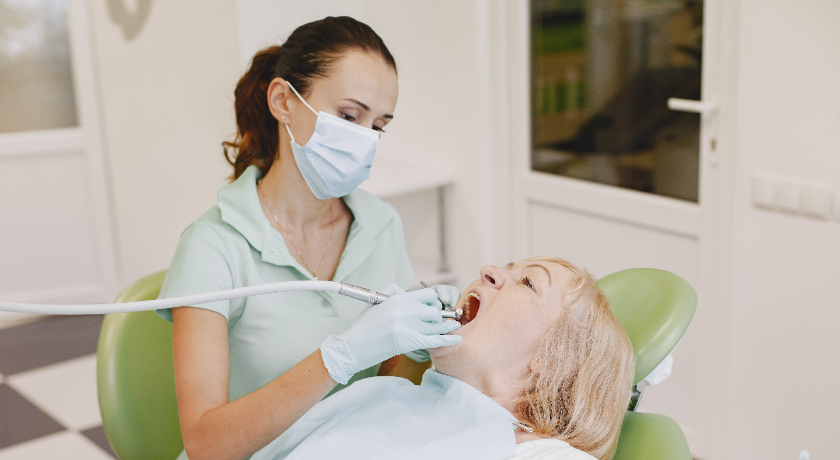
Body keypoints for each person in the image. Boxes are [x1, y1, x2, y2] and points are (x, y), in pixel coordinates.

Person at [156, 17, 461, 460]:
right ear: (283, 100)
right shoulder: (213, 245)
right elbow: (206, 445)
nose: (365, 140)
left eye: (378, 126)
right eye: (349, 116)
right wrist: (338, 357)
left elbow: (391, 389)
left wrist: (420, 347)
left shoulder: (380, 225)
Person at [248, 257, 636, 460]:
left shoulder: (544, 457)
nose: (490, 270)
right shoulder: (382, 396)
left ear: (554, 361)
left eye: (528, 282)